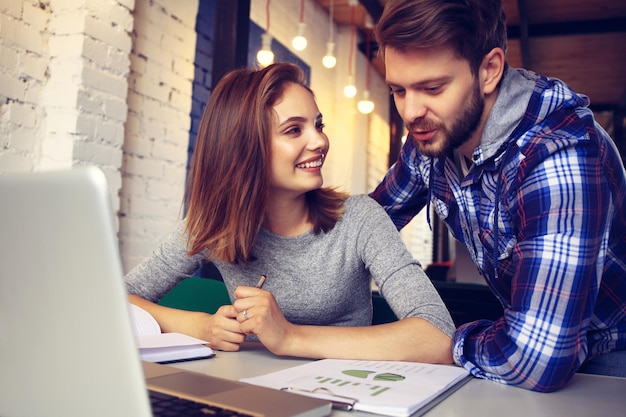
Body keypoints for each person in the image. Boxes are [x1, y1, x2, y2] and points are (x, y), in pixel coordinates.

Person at [370, 0, 626, 392]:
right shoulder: (435, 130)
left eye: (433, 87)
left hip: (608, 358)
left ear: (489, 70)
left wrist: (439, 343)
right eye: (398, 90)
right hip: (524, 341)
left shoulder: (559, 155)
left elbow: (537, 361)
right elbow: (368, 223)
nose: (410, 111)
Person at [125, 62, 455, 363]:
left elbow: (438, 337)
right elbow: (114, 298)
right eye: (294, 130)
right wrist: (199, 325)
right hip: (252, 394)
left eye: (318, 125)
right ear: (245, 149)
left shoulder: (360, 219)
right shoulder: (214, 226)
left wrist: (290, 336)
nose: (320, 141)